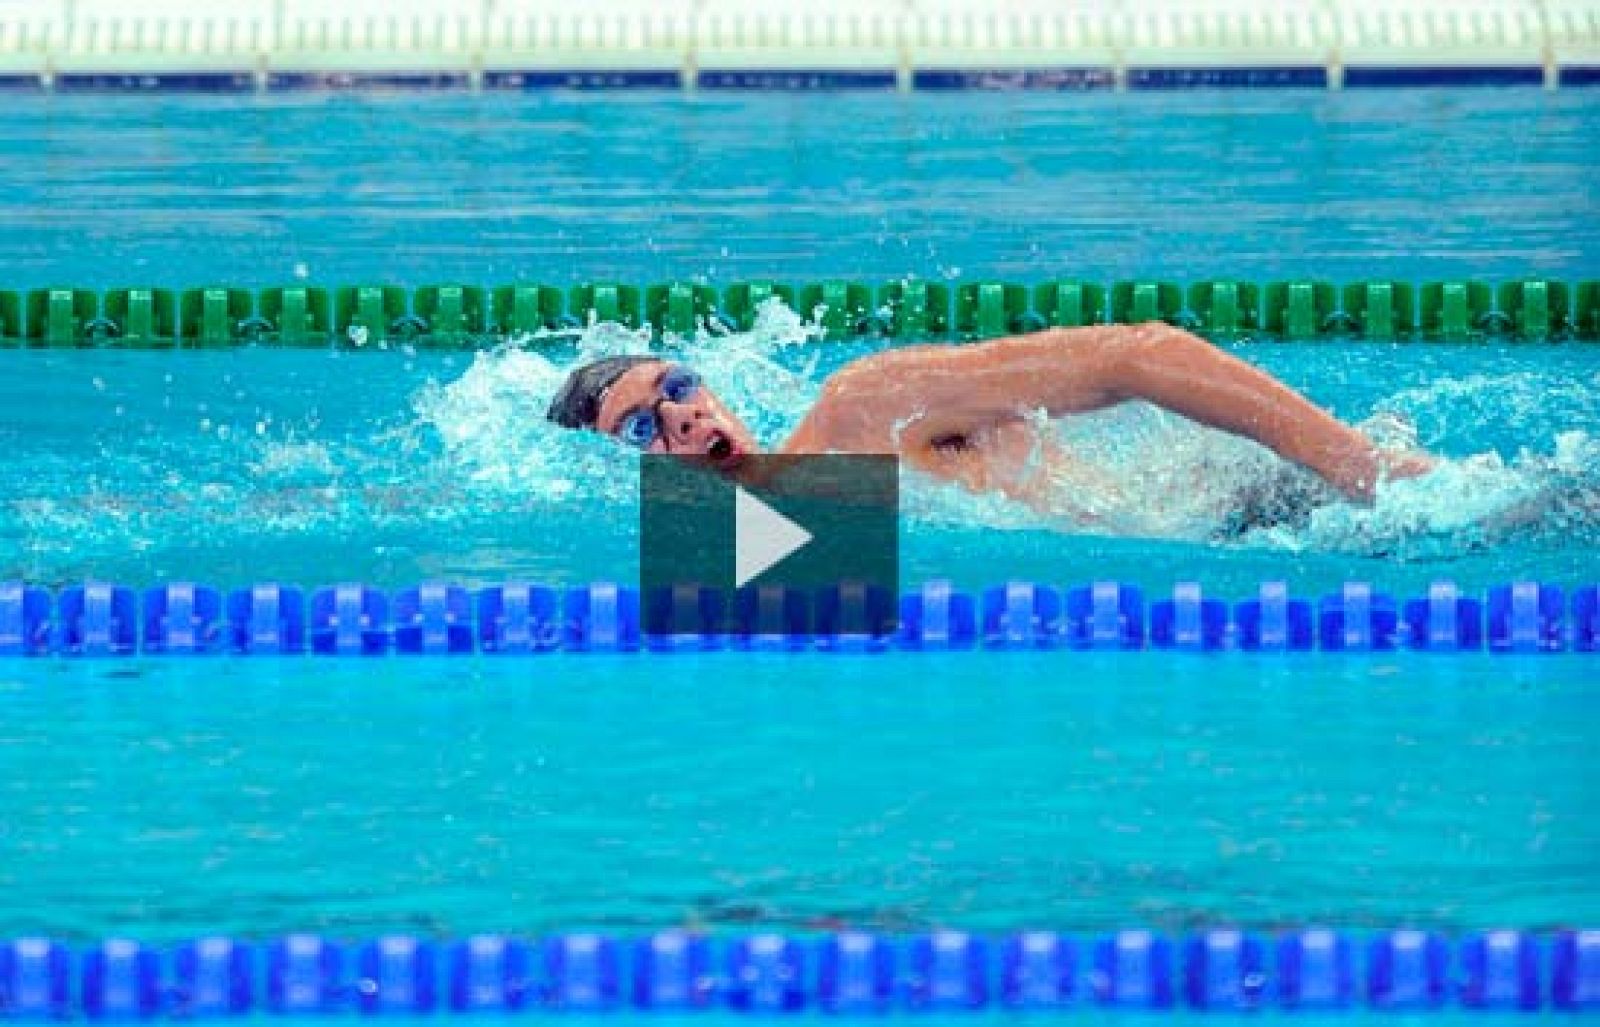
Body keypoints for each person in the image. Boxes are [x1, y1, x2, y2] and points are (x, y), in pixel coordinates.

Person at [545, 322, 1434, 522]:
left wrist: (1357, 465)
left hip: (1274, 512)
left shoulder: (861, 410)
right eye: (640, 432)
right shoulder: (759, 546)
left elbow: (1137, 351)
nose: (684, 418)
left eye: (679, 387)